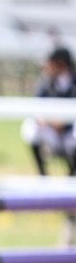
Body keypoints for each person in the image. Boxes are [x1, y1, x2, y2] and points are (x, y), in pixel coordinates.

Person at [20, 46, 76, 175]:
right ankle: (43, 175)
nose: (46, 66)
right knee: (30, 128)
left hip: (70, 133)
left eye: (50, 63)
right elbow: (37, 106)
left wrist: (64, 122)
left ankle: (71, 176)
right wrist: (46, 120)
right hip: (52, 131)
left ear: (60, 64)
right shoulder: (46, 83)